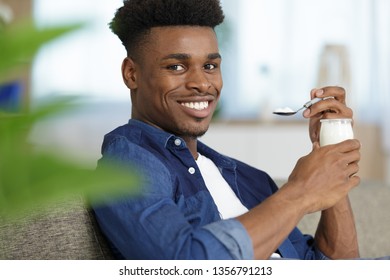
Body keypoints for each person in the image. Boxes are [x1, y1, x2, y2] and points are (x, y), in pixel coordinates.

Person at [92, 0, 362, 260]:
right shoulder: (127, 164)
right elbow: (183, 264)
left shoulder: (249, 179)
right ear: (131, 74)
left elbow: (342, 267)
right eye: (176, 66)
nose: (201, 83)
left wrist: (332, 153)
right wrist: (299, 193)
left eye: (210, 66)